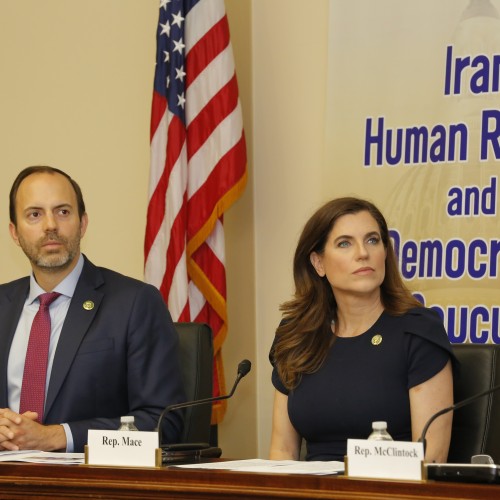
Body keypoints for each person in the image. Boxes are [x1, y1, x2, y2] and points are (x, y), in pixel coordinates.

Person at [0, 165, 185, 452]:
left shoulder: (135, 303)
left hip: (91, 487)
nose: (50, 225)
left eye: (63, 212)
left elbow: (164, 424)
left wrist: (57, 436)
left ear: (83, 223)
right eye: (34, 214)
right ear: (14, 232)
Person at [269, 197, 455, 463]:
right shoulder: (296, 334)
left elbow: (431, 459)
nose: (363, 253)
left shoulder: (417, 331)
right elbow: (282, 451)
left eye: (372, 240)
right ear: (318, 263)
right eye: (345, 243)